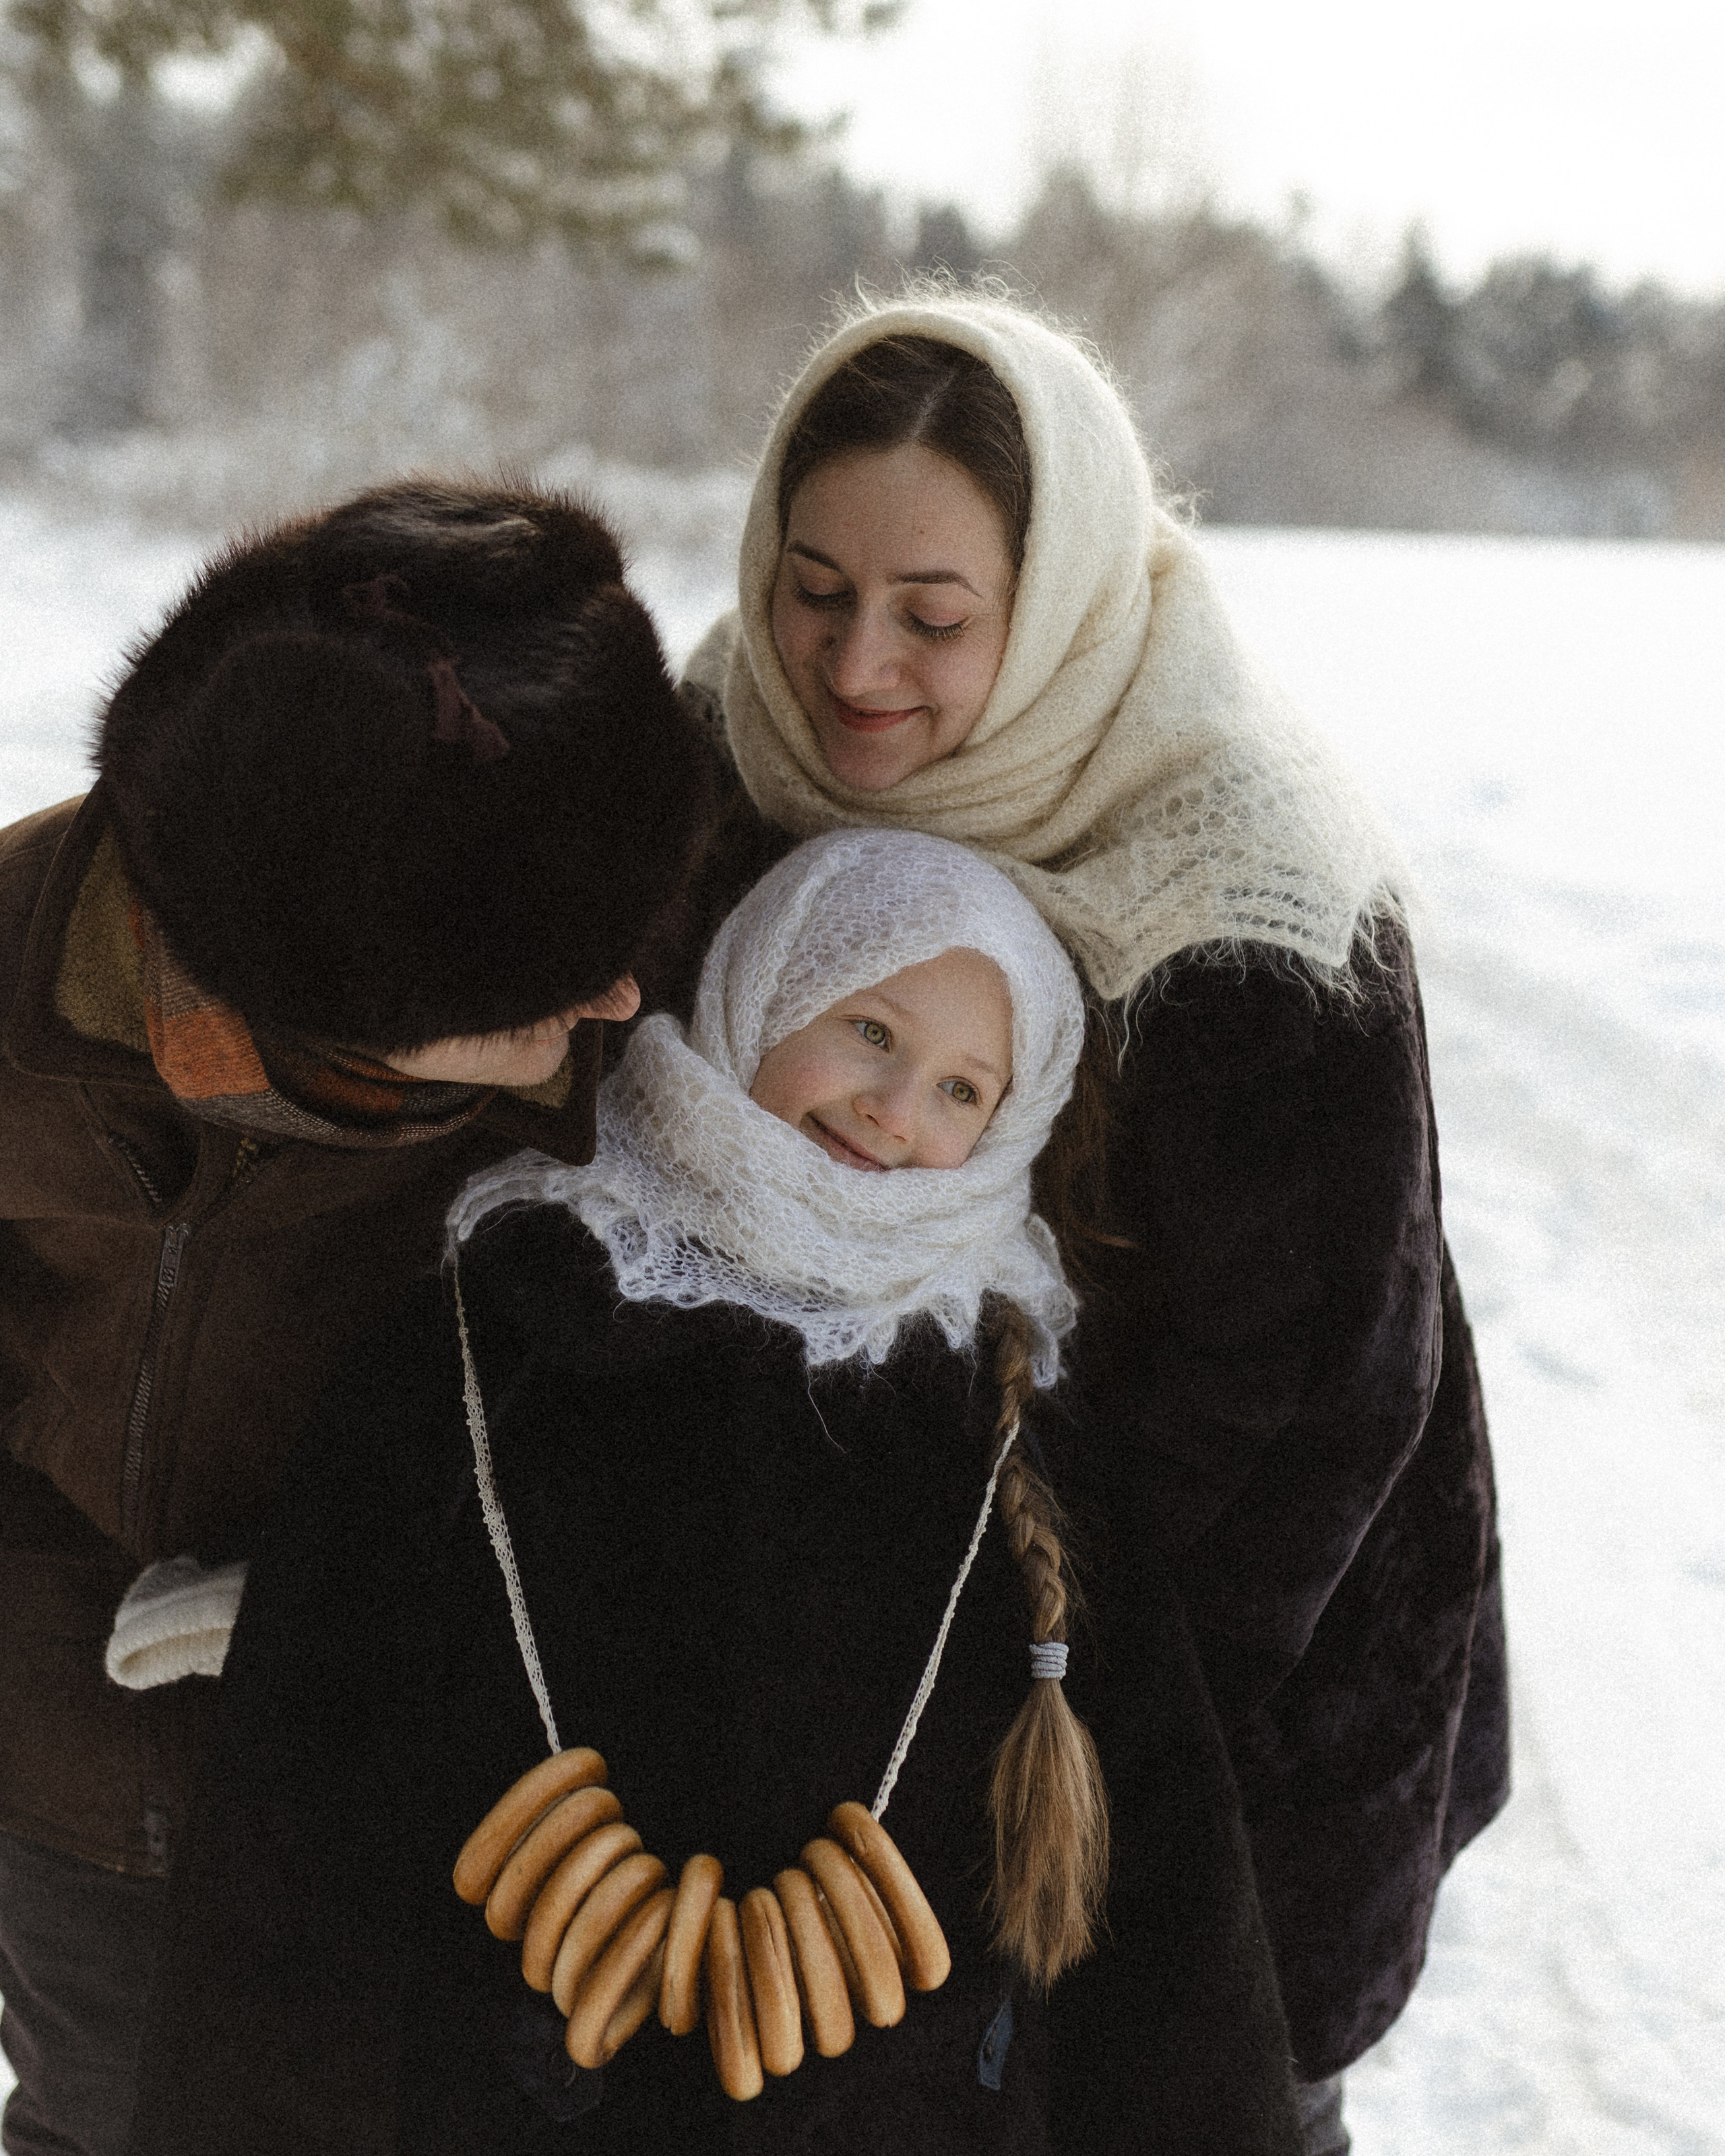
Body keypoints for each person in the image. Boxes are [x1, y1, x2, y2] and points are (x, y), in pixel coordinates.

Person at [124, 830, 1303, 2155]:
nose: (894, 1107)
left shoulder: (1017, 1404)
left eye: (960, 1088)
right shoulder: (501, 1317)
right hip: (500, 2092)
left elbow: (1161, 1872)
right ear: (760, 986)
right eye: (867, 1028)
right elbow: (297, 1791)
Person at [675, 291, 1511, 2146]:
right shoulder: (727, 757)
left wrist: (1033, 1735)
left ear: (1049, 598)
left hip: (1205, 1733)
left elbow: (1311, 1428)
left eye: (934, 617)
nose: (852, 665)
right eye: (812, 588)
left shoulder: (1249, 894)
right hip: (831, 1724)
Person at [0, 478, 713, 2156]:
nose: (617, 990)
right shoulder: (20, 982)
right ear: (321, 1009)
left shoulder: (628, 977)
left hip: (457, 1797)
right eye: (553, 984)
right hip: (81, 1789)